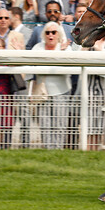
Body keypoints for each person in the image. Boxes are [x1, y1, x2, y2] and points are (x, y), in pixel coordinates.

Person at [31, 21, 72, 149]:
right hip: (43, 93)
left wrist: (62, 53)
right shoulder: (37, 47)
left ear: (58, 34)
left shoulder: (65, 48)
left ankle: (58, 150)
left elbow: (70, 67)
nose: (51, 35)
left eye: (54, 32)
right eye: (48, 32)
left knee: (60, 124)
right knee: (44, 125)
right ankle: (48, 151)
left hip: (62, 91)